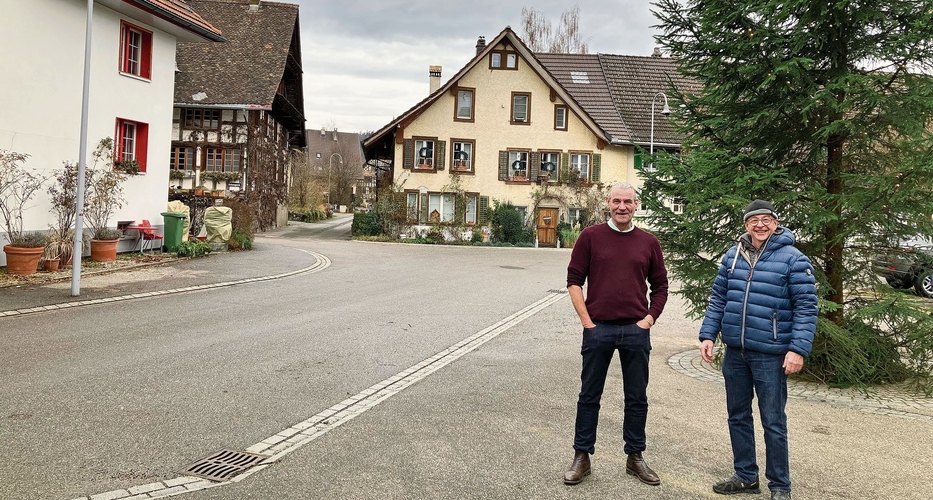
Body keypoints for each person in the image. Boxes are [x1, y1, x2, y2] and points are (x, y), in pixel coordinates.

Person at [699, 199, 817, 500]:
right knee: (737, 415)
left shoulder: (794, 259)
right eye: (754, 220)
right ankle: (746, 476)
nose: (760, 225)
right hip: (736, 353)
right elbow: (718, 298)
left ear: (776, 223)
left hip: (772, 354)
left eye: (766, 219)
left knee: (773, 421)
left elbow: (806, 308)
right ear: (746, 224)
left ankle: (780, 486)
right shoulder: (732, 256)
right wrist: (708, 334)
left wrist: (798, 349)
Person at [563, 182, 669, 486]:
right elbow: (574, 281)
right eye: (617, 201)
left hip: (636, 331)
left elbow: (660, 286)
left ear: (637, 205)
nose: (622, 206)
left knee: (637, 397)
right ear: (608, 203)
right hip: (599, 330)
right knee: (589, 396)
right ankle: (582, 456)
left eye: (628, 201)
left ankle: (635, 457)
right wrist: (587, 322)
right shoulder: (591, 237)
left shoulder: (648, 242)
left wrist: (649, 320)